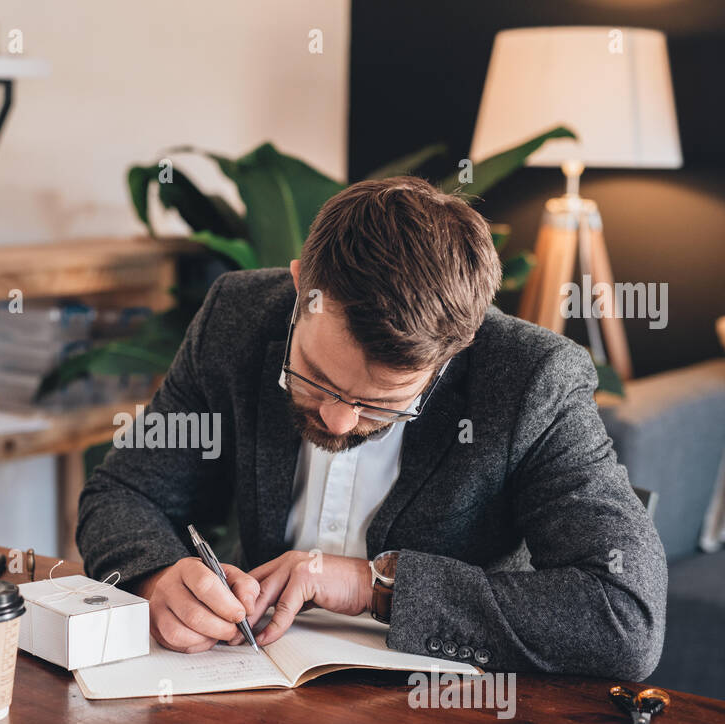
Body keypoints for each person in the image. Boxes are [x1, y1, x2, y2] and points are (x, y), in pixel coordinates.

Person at [76, 177, 666, 680]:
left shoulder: (532, 379)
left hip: (449, 710)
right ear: (302, 281)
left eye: (380, 405)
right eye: (314, 377)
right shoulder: (237, 317)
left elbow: (626, 616)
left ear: (451, 354)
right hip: (245, 679)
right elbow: (127, 491)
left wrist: (376, 586)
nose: (336, 420)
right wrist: (156, 576)